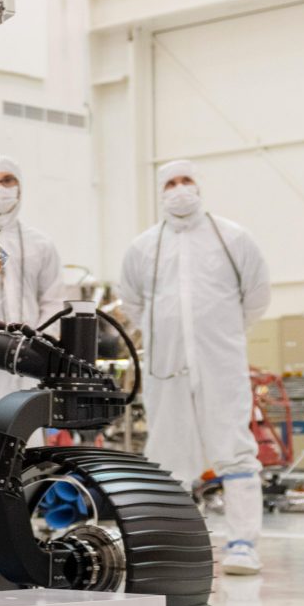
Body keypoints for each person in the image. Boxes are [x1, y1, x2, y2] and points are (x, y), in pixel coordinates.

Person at [119, 160, 272, 575]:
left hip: (220, 364)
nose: (180, 188)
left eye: (187, 180)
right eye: (171, 182)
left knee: (235, 449)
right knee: (167, 455)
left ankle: (243, 543)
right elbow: (133, 303)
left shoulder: (232, 237)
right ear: (160, 192)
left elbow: (256, 295)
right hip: (166, 367)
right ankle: (176, 543)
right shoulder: (143, 248)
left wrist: (222, 335)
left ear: (199, 187)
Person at [0, 160, 66, 423]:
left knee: (28, 426)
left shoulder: (40, 244)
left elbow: (53, 299)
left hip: (28, 354)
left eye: (9, 181)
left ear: (20, 188)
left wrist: (41, 342)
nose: (2, 188)